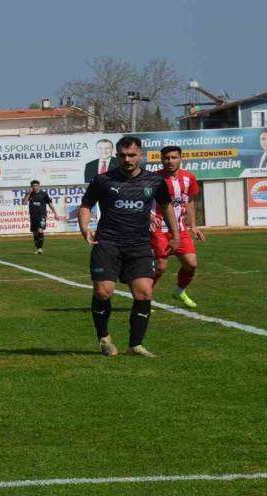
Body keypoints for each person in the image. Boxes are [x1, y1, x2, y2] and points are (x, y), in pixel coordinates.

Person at [78, 136, 180, 358]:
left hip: (139, 244)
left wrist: (175, 234)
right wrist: (84, 228)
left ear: (140, 156)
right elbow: (86, 205)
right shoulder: (103, 180)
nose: (127, 159)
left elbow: (166, 206)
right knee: (103, 292)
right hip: (107, 243)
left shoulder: (154, 181)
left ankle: (136, 345)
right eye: (123, 155)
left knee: (144, 292)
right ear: (117, 156)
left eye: (132, 155)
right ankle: (104, 338)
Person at [150, 146, 205, 308]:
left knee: (191, 264)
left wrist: (193, 226)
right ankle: (145, 298)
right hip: (159, 230)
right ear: (161, 160)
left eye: (174, 157)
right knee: (160, 266)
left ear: (181, 158)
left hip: (180, 229)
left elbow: (189, 202)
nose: (170, 161)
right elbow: (143, 201)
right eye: (166, 158)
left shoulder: (189, 177)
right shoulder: (153, 178)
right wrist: (150, 216)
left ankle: (179, 291)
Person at [24, 180, 61, 255]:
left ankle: (40, 248)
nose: (34, 187)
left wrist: (55, 214)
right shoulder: (29, 194)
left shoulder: (43, 194)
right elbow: (24, 202)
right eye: (33, 186)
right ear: (31, 187)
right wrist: (29, 194)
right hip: (33, 216)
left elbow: (50, 204)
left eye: (36, 185)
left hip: (42, 215)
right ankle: (38, 248)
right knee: (35, 233)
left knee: (40, 230)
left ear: (39, 186)